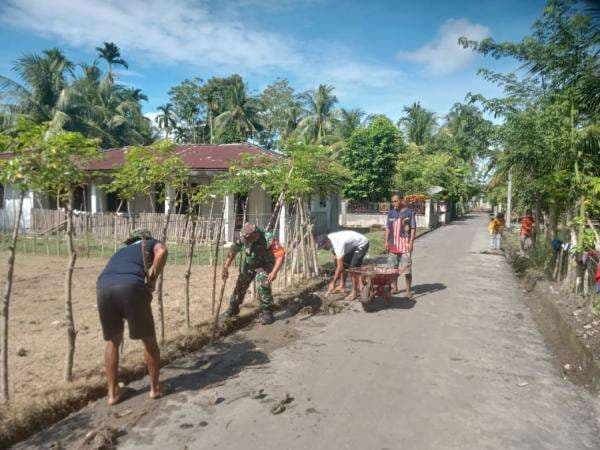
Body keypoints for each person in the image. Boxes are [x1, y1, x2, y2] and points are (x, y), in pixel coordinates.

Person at [96, 229, 168, 405]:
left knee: (113, 341)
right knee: (149, 340)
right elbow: (162, 251)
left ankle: (113, 394)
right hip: (130, 287)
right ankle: (155, 388)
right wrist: (151, 282)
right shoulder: (150, 243)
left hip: (103, 287)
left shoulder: (121, 251)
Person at [223, 223, 285, 325]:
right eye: (245, 240)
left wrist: (274, 272)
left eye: (249, 239)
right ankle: (233, 308)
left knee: (263, 283)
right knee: (240, 284)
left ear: (255, 234)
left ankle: (267, 311)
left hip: (264, 265)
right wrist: (225, 267)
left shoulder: (268, 237)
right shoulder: (243, 237)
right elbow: (233, 250)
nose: (247, 242)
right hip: (250, 263)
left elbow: (280, 255)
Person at [318, 230, 369, 301]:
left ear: (327, 241)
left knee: (352, 268)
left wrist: (333, 282)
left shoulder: (337, 243)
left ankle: (354, 291)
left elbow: (340, 266)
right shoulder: (330, 238)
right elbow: (338, 261)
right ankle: (342, 286)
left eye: (324, 247)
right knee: (342, 263)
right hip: (351, 246)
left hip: (362, 244)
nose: (324, 249)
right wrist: (335, 257)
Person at [384, 193, 416, 297]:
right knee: (393, 269)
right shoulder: (391, 213)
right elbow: (388, 228)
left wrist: (411, 243)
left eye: (396, 201)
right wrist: (386, 241)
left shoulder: (409, 212)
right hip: (393, 246)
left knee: (407, 270)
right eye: (392, 201)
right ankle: (395, 287)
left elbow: (413, 228)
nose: (394, 203)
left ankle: (408, 290)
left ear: (401, 200)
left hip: (405, 246)